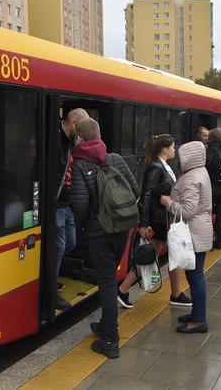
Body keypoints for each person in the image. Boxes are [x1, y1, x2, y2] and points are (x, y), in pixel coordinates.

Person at [70, 117, 139, 359]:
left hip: (99, 233)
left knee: (107, 282)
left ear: (79, 138)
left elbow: (79, 204)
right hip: (122, 229)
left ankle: (110, 339)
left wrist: (84, 227)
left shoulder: (79, 163)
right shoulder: (116, 158)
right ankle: (104, 324)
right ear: (99, 136)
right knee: (110, 276)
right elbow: (136, 190)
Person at [117, 134, 192, 309]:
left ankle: (125, 289)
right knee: (153, 256)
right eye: (173, 147)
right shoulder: (156, 168)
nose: (175, 150)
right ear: (165, 149)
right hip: (159, 221)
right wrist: (143, 223)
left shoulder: (162, 166)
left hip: (163, 220)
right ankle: (123, 289)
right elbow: (146, 195)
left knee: (155, 256)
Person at [160, 141, 212, 333]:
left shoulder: (191, 178)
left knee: (195, 275)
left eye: (182, 157)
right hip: (200, 229)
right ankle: (197, 313)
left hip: (193, 231)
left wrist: (168, 202)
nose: (179, 160)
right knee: (195, 274)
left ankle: (199, 320)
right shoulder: (200, 172)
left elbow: (188, 210)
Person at [54, 108, 89, 310]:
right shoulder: (56, 138)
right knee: (58, 247)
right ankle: (51, 289)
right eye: (82, 126)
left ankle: (52, 274)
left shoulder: (73, 141)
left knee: (70, 242)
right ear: (74, 123)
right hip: (57, 203)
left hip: (67, 204)